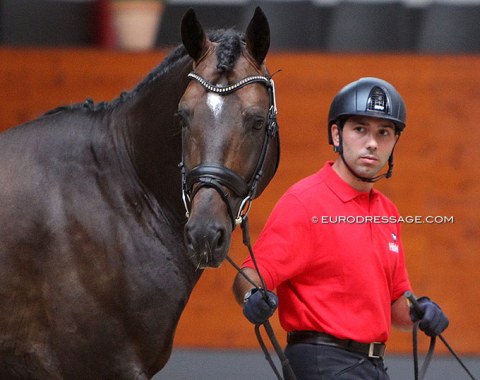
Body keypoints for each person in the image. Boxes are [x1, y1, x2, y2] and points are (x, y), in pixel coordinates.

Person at [232, 77, 449, 379]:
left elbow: (395, 303)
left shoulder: (388, 212)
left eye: (384, 132)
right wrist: (250, 297)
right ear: (337, 134)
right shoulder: (304, 202)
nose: (372, 142)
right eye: (360, 129)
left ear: (394, 142)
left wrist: (420, 311)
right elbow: (250, 275)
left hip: (371, 365)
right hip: (321, 359)